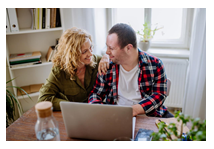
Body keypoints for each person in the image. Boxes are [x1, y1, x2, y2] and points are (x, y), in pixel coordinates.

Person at [88, 23, 173, 118]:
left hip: (147, 115)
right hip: (115, 117)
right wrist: (101, 110)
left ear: (128, 48)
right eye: (107, 46)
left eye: (111, 48)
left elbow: (159, 95)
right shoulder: (107, 66)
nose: (107, 52)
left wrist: (133, 110)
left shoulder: (155, 64)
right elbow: (96, 94)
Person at [38, 27, 109, 110]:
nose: (90, 54)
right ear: (72, 54)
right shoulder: (59, 71)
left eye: (91, 47)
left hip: (96, 110)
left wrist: (106, 56)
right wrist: (71, 106)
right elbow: (43, 99)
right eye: (84, 51)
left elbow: (114, 58)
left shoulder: (96, 61)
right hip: (74, 114)